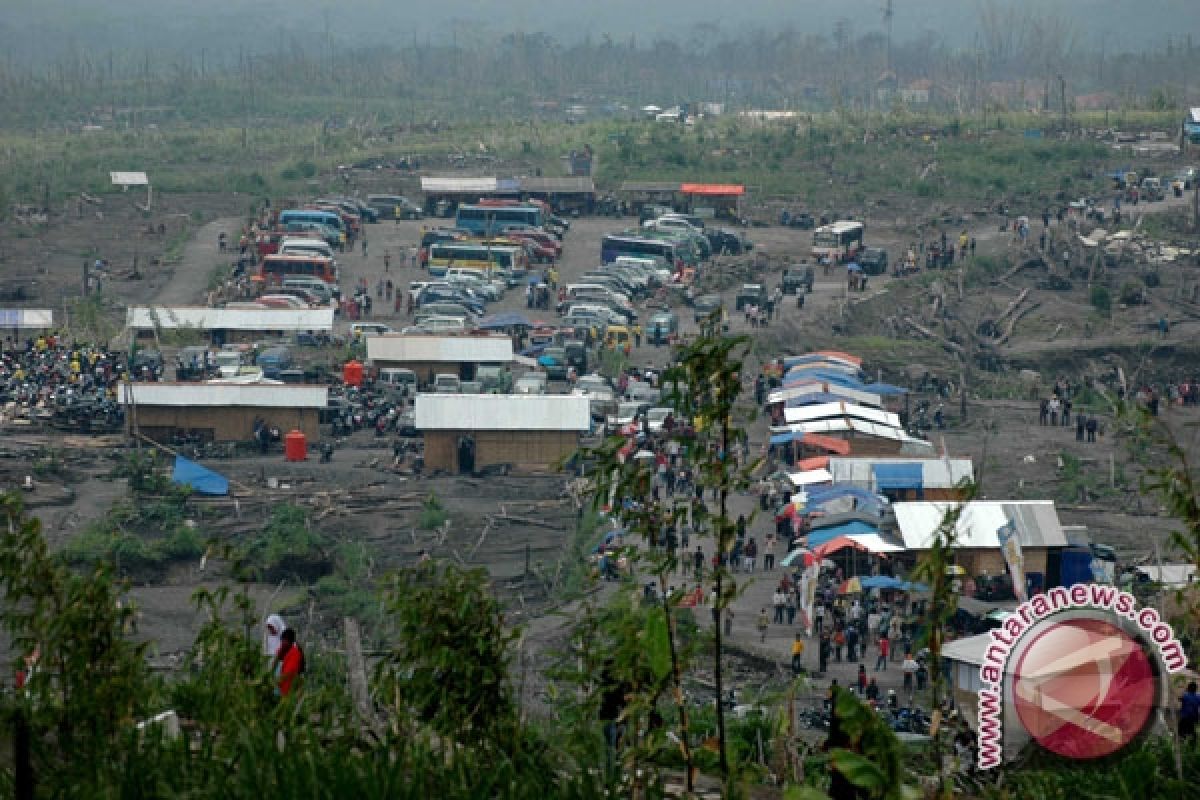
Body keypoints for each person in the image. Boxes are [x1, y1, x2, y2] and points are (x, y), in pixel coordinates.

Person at [274, 628, 305, 698]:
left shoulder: (295, 652)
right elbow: (276, 660)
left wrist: (276, 682)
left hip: (290, 690)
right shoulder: (287, 650)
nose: (282, 643)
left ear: (289, 641)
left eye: (283, 641)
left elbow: (288, 672)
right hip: (286, 689)